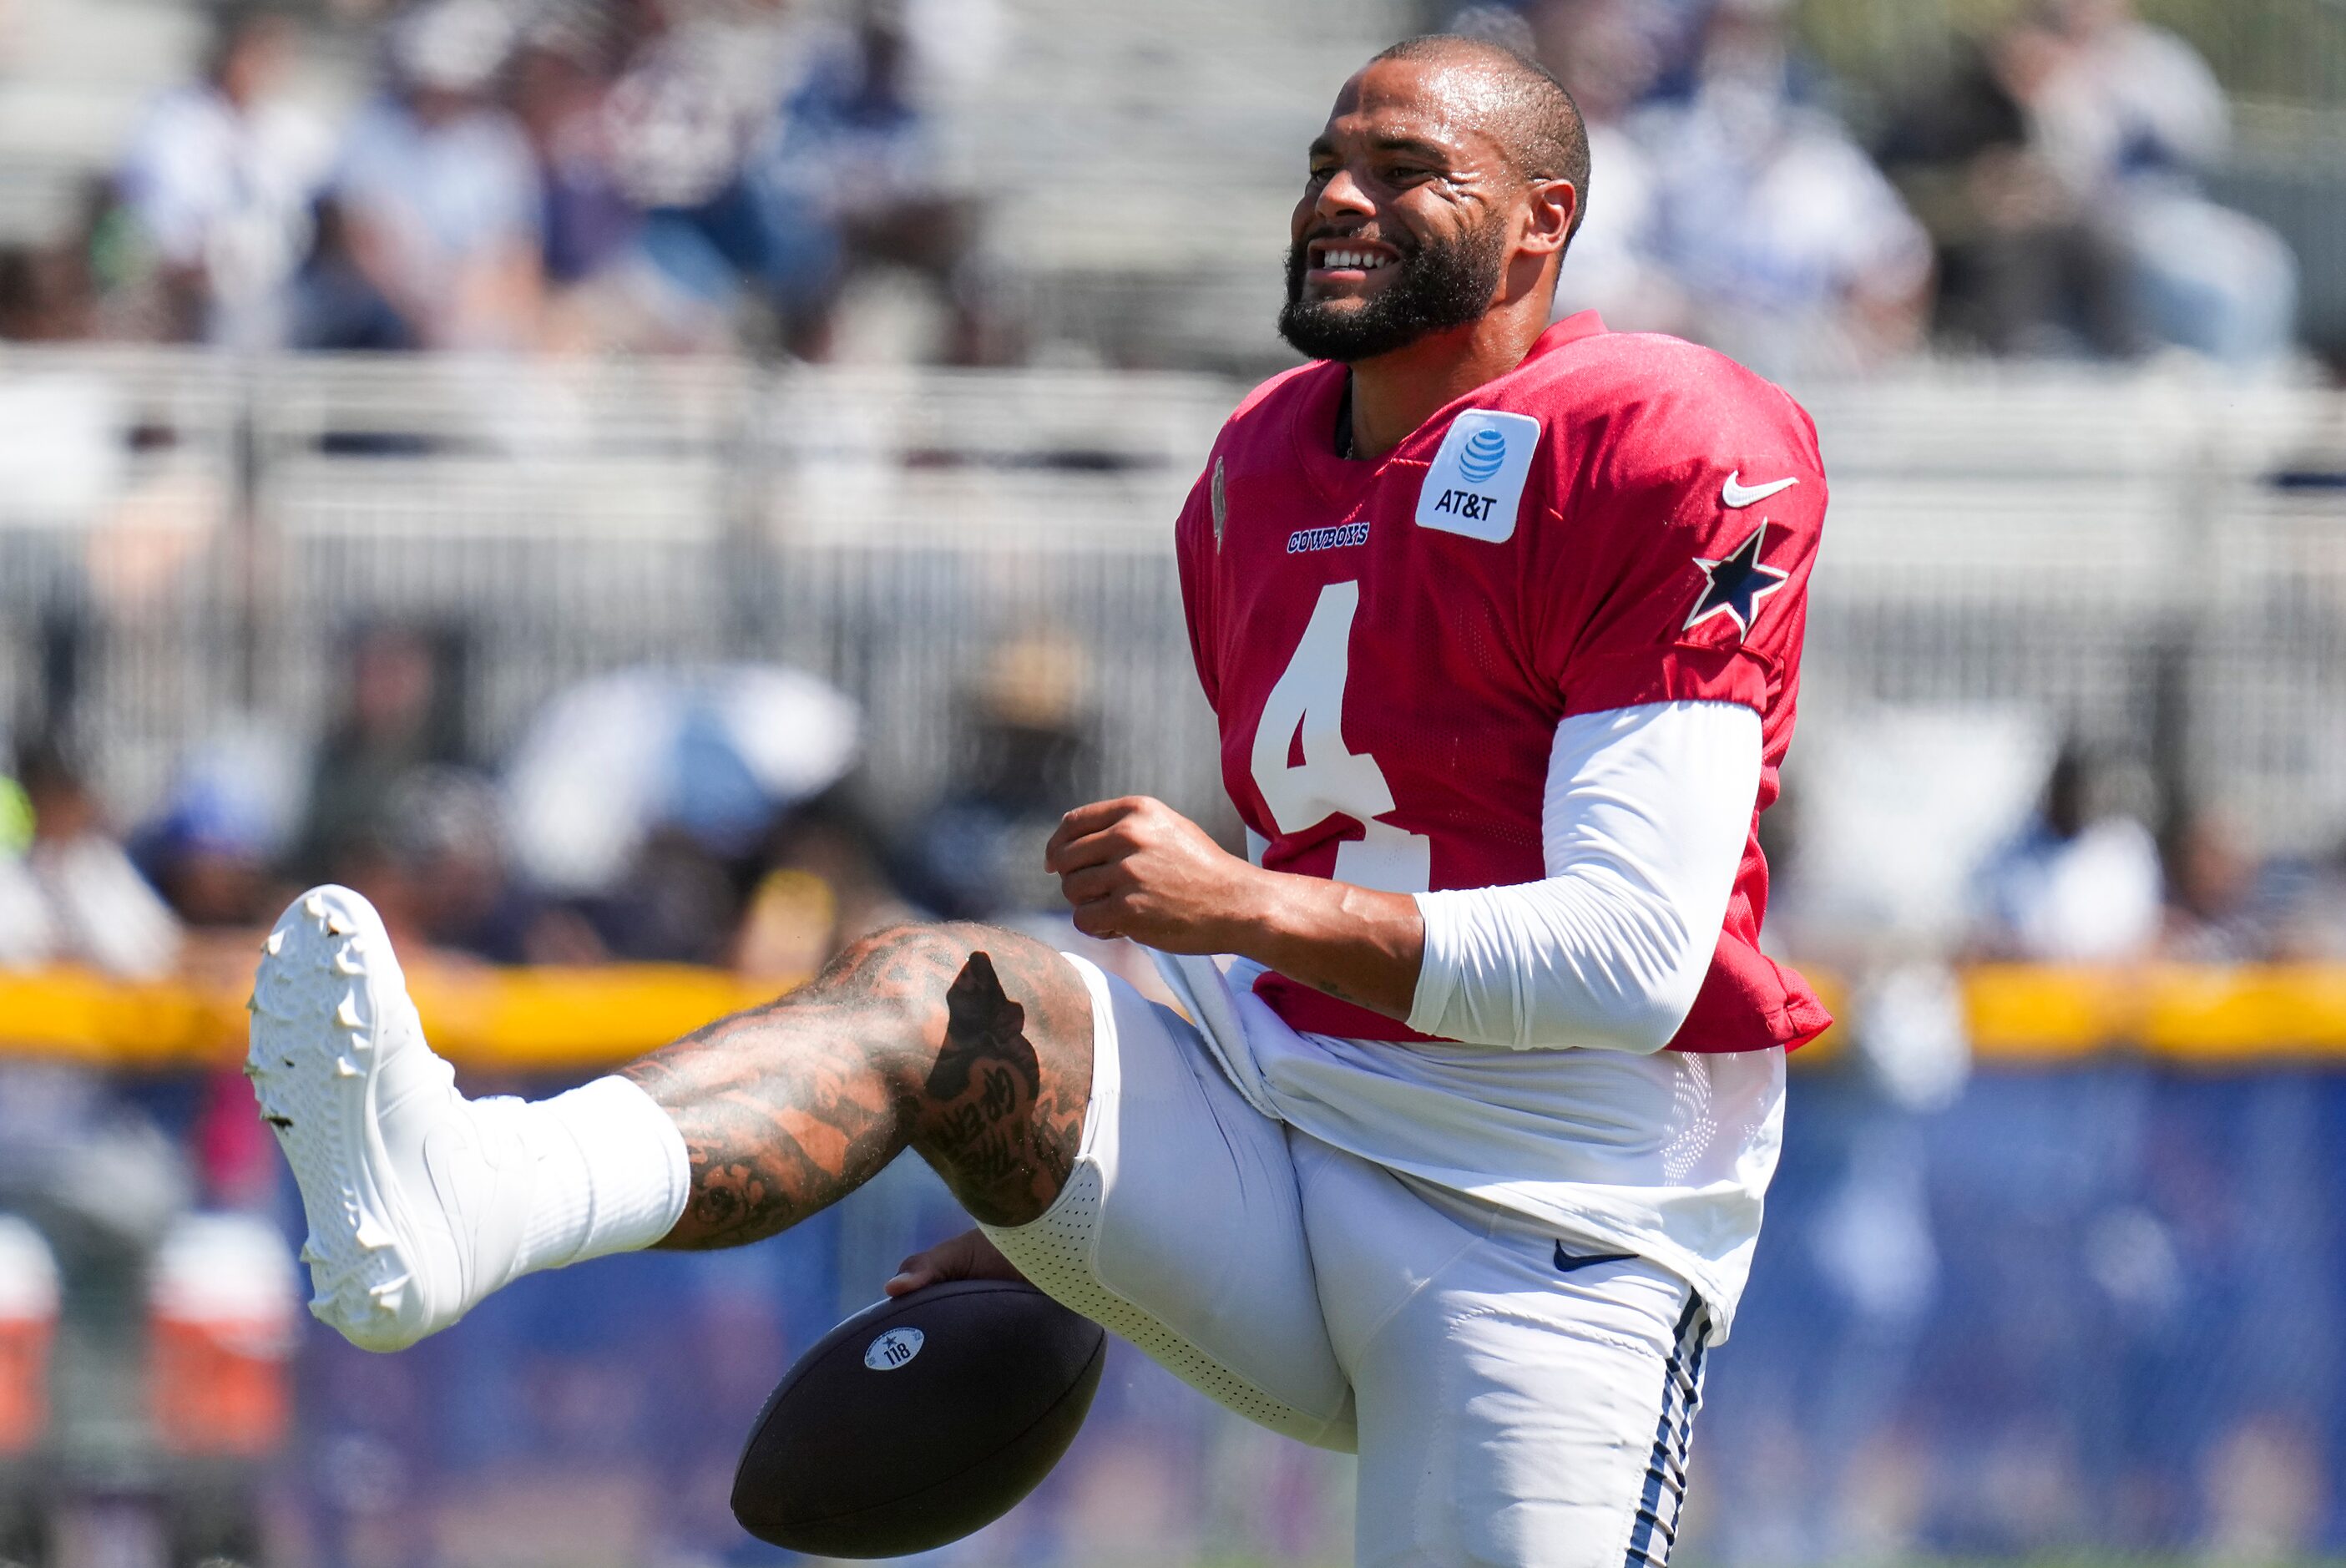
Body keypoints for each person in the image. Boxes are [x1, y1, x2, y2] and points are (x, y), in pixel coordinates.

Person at [249, 33, 1828, 1565]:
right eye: (1325, 164)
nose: (1341, 198)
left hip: (1543, 1210)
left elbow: (1637, 959)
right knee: (943, 997)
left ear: (1542, 220)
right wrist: (1081, 1211)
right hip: (1282, 1121)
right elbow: (1317, 862)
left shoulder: (1659, 437)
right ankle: (474, 1190)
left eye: (1408, 170)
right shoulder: (1256, 470)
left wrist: (1240, 905)